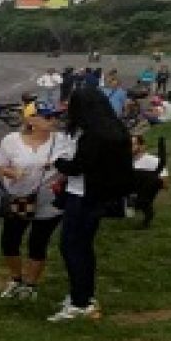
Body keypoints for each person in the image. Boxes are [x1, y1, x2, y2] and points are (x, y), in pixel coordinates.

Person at [49, 89, 134, 322]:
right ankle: (85, 294)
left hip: (83, 195)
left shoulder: (92, 135)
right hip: (101, 197)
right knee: (84, 247)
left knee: (71, 247)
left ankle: (80, 302)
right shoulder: (117, 131)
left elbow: (78, 166)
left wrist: (57, 161)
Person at [0, 102, 71, 300]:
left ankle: (31, 284)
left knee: (38, 242)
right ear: (30, 120)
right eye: (47, 116)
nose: (53, 120)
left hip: (50, 201)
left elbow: (73, 166)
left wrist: (61, 175)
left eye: (54, 116)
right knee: (10, 241)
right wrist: (13, 172)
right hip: (19, 198)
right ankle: (16, 278)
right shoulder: (11, 141)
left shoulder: (63, 140)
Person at [130, 135, 169, 228]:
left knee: (141, 202)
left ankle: (145, 211)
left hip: (148, 185)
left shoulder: (153, 161)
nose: (130, 147)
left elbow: (165, 184)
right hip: (137, 187)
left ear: (142, 146)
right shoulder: (125, 161)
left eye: (134, 144)